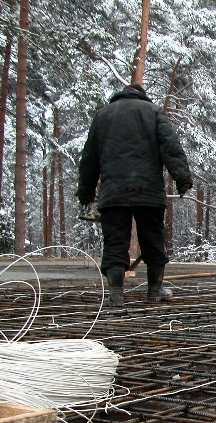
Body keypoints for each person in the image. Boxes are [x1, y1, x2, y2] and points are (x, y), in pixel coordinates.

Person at [77, 83, 192, 308]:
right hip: (148, 191)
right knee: (153, 240)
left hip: (113, 193)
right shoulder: (154, 112)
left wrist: (86, 193)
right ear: (142, 95)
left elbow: (89, 158)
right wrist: (182, 178)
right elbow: (172, 148)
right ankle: (154, 291)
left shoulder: (103, 116)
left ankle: (116, 295)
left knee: (115, 242)